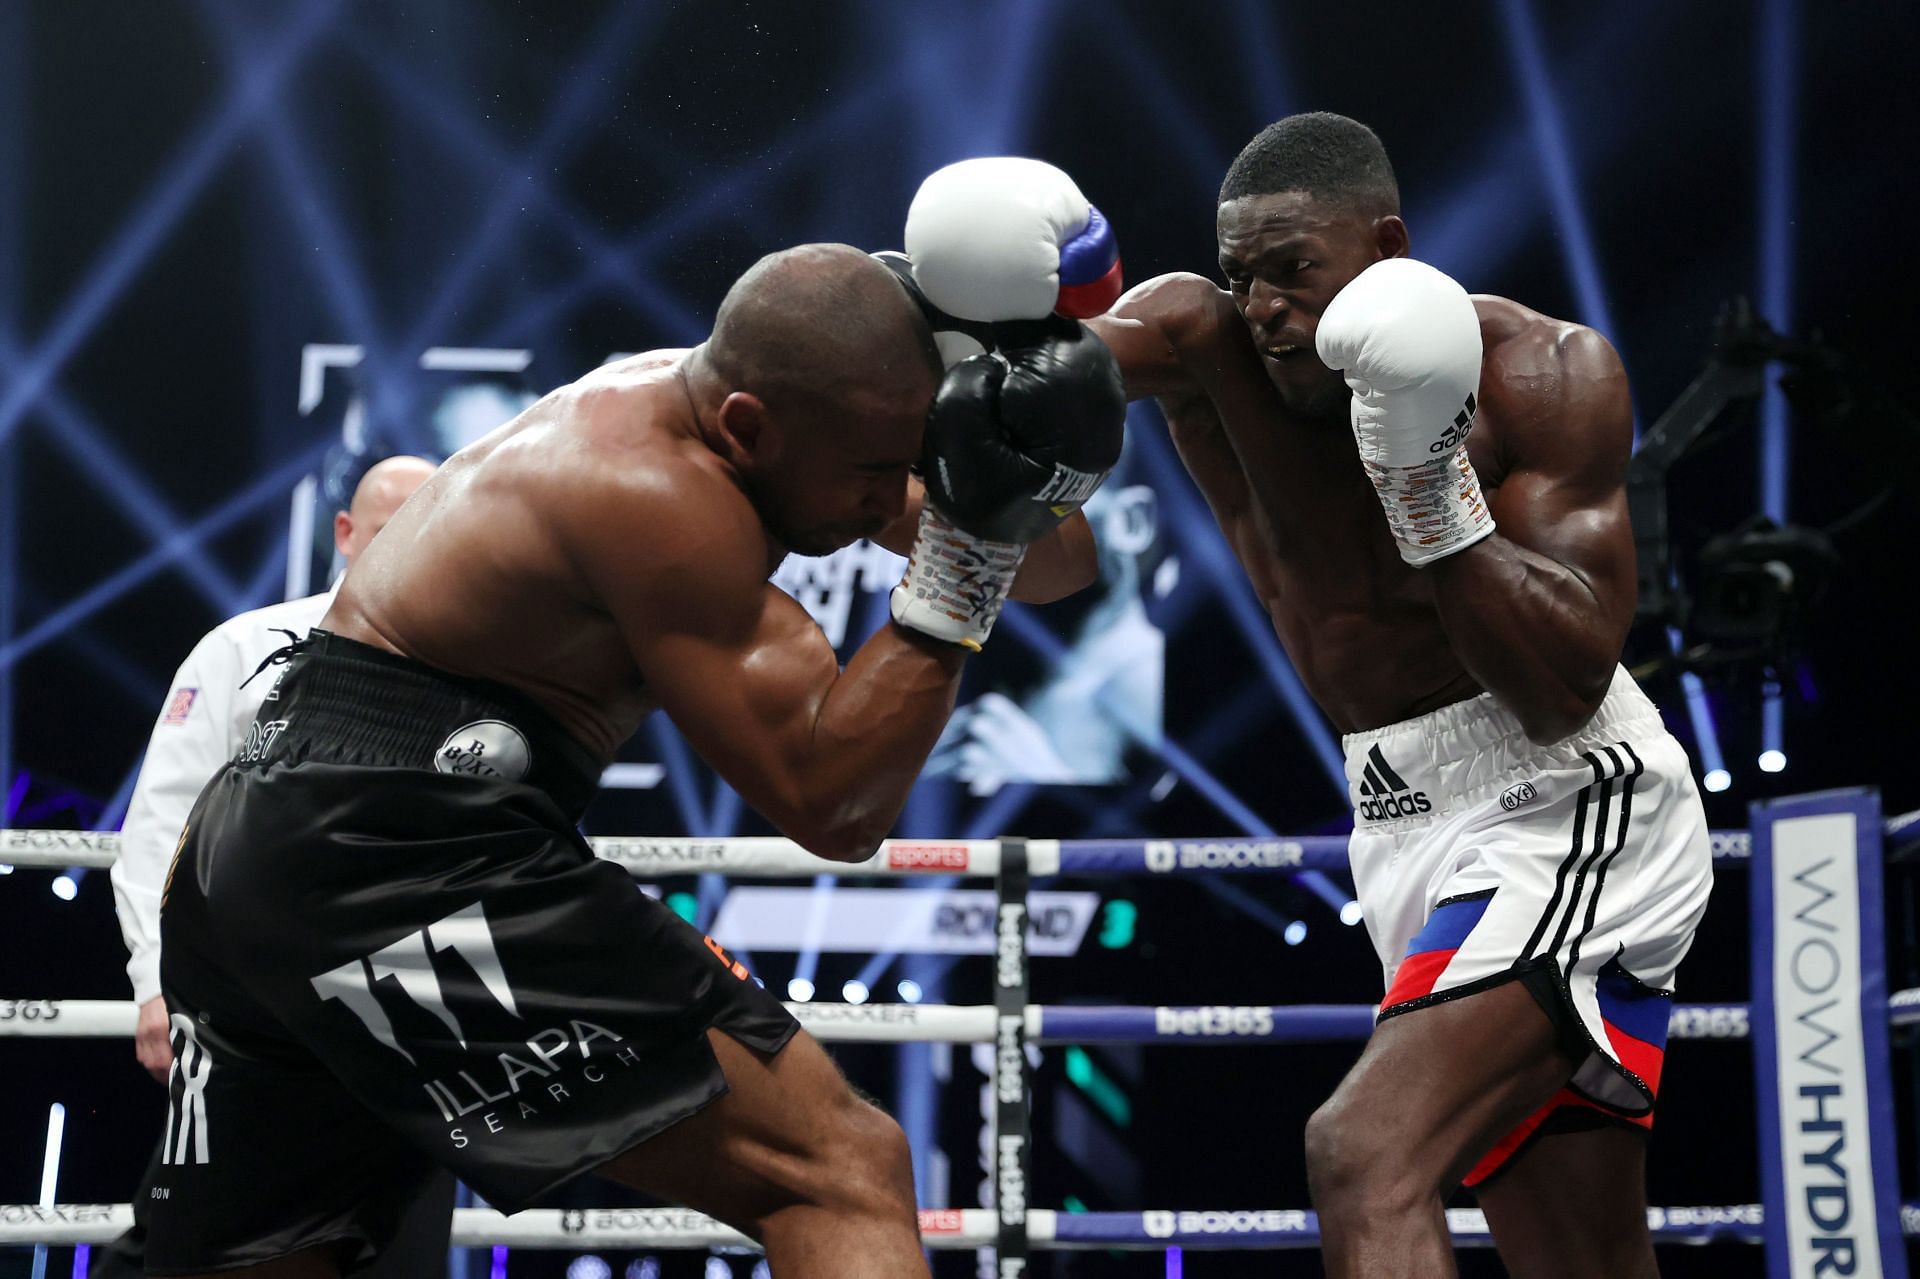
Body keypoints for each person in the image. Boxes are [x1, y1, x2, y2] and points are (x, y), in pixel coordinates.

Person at [148, 242, 1124, 1277]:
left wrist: (1014, 478)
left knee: (283, 1254)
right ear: (749, 428)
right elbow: (835, 808)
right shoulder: (658, 495)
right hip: (400, 844)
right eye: (880, 475)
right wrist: (962, 564)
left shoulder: (767, 413)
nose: (893, 504)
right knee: (837, 1168)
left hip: (271, 848)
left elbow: (1059, 565)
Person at [905, 122, 1712, 1277]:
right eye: (1242, 274)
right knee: (1579, 1253)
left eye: (1293, 268)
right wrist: (946, 322)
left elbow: (1563, 683)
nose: (1265, 307)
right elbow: (1027, 390)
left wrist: (1426, 484)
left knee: (1361, 1153)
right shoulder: (1201, 341)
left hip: (1566, 802)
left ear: (1387, 247)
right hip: (1396, 822)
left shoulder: (1544, 372)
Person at [101, 455, 441, 1279]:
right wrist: (155, 982)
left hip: (407, 1014)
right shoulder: (246, 648)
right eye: (392, 527)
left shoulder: (486, 670)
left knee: (395, 1251)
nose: (413, 548)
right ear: (346, 533)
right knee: (192, 1240)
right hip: (246, 1013)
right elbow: (160, 828)